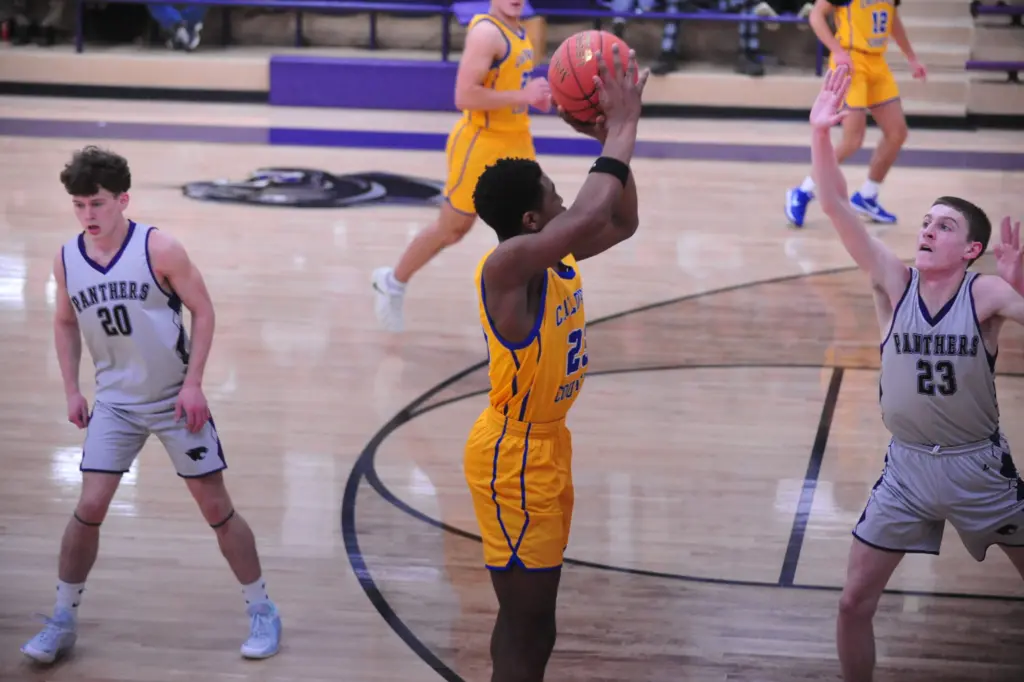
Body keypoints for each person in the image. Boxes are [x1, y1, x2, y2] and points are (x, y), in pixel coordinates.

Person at [21, 146, 282, 664]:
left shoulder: (159, 248)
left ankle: (263, 609)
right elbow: (65, 322)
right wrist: (72, 389)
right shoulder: (66, 258)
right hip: (115, 404)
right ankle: (62, 619)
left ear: (123, 200)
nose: (88, 215)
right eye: (79, 205)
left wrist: (194, 383)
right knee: (89, 506)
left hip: (173, 400)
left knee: (216, 508)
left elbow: (204, 311)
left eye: (97, 203)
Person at [809, 66, 1024, 682]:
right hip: (906, 468)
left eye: (944, 226)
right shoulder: (893, 282)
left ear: (971, 251)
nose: (927, 230)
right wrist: (820, 134)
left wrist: (1018, 286)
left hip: (977, 469)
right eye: (926, 221)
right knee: (853, 603)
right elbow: (835, 205)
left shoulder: (984, 294)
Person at [463, 45, 648, 681]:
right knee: (528, 622)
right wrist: (621, 127)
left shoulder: (552, 254)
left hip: (546, 446)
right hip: (512, 457)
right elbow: (594, 209)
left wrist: (609, 139)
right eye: (553, 194)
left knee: (531, 619)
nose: (566, 198)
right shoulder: (507, 267)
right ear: (531, 219)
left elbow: (621, 218)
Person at [371, 0, 552, 332]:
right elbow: (464, 96)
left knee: (531, 223)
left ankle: (526, 311)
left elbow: (512, 86)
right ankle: (392, 282)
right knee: (452, 229)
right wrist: (522, 96)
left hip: (517, 139)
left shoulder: (521, 28)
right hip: (481, 142)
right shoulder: (486, 33)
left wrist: (534, 98)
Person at [786, 0, 927, 228]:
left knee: (897, 133)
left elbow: (892, 18)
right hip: (851, 60)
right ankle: (803, 191)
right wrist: (837, 51)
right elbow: (816, 15)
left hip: (877, 62)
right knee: (852, 140)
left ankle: (867, 196)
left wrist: (911, 56)